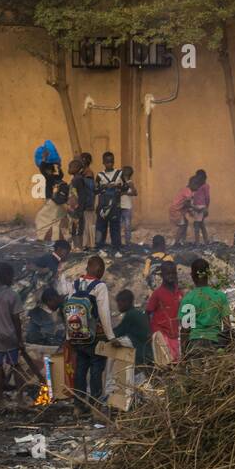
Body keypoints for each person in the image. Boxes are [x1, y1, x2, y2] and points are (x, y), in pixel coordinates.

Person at [63, 255, 121, 411]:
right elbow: (104, 313)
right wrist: (111, 337)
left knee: (80, 368)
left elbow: (70, 313)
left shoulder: (74, 284)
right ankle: (95, 404)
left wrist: (69, 337)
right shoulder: (99, 286)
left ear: (87, 267)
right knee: (96, 368)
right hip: (94, 337)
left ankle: (78, 404)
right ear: (100, 270)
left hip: (77, 335)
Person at [0, 261, 39, 402]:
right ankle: (19, 398)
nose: (12, 279)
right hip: (10, 336)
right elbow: (16, 320)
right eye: (11, 276)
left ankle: (0, 400)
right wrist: (20, 339)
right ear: (6, 276)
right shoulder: (12, 295)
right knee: (15, 366)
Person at [179, 258, 230, 357]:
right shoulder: (219, 296)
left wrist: (184, 353)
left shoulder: (188, 298)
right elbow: (227, 326)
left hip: (195, 346)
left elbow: (185, 330)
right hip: (215, 344)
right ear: (209, 274)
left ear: (192, 275)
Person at [145, 260, 183, 364]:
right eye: (168, 273)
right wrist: (149, 332)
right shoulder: (157, 293)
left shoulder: (179, 292)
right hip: (161, 333)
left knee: (175, 363)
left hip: (174, 334)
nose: (171, 276)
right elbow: (148, 312)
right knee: (165, 364)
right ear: (162, 275)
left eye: (173, 273)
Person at [95, 152, 126, 253]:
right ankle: (99, 246)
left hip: (115, 206)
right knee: (101, 227)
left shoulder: (120, 173)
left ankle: (116, 247)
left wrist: (118, 187)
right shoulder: (99, 175)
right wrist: (103, 187)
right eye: (107, 162)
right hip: (102, 206)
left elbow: (126, 186)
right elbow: (95, 190)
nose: (110, 164)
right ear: (103, 162)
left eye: (111, 161)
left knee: (115, 227)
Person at [115, 289, 153, 366]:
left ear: (127, 302)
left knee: (114, 345)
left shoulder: (131, 314)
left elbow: (118, 332)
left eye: (119, 303)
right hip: (148, 352)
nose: (118, 306)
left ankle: (110, 376)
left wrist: (105, 333)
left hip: (139, 352)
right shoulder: (138, 313)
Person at [35, 160, 71, 242]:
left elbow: (42, 169)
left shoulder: (50, 177)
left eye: (48, 170)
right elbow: (60, 175)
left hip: (52, 201)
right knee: (56, 219)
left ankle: (44, 236)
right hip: (55, 200)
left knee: (43, 218)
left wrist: (43, 160)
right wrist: (59, 168)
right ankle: (58, 236)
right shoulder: (52, 177)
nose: (47, 172)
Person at [69, 158, 94, 251]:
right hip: (74, 210)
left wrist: (79, 209)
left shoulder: (78, 179)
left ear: (78, 168)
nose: (69, 168)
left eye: (72, 167)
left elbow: (82, 196)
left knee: (77, 229)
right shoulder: (75, 178)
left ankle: (78, 247)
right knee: (74, 228)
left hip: (77, 210)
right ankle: (76, 246)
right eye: (69, 166)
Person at [169, 178, 195, 245]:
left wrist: (190, 210)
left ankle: (183, 240)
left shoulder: (186, 190)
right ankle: (176, 242)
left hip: (177, 209)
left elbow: (185, 204)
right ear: (192, 184)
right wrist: (192, 209)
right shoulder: (188, 192)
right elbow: (187, 203)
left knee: (185, 222)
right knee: (182, 226)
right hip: (176, 210)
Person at [189, 170, 210, 245]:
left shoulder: (205, 186)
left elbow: (207, 197)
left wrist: (206, 208)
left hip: (201, 207)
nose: (198, 179)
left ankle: (197, 242)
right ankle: (206, 240)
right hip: (196, 207)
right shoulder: (196, 186)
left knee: (197, 224)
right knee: (201, 224)